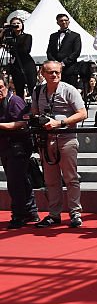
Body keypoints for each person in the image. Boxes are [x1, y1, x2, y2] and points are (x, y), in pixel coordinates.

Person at [31, 61, 87, 228]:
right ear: (43, 73)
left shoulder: (69, 90)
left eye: (57, 72)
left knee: (71, 178)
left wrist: (60, 123)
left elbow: (82, 113)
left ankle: (75, 213)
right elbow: (34, 113)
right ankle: (54, 214)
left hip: (66, 138)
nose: (54, 75)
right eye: (50, 72)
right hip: (46, 140)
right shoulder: (38, 91)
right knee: (50, 180)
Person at [0, 78, 39, 228]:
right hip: (6, 147)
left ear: (6, 87)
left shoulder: (15, 101)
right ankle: (30, 211)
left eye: (1, 87)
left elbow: (23, 122)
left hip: (18, 146)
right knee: (20, 180)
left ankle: (19, 214)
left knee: (15, 182)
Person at [46, 14, 83, 91]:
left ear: (69, 22)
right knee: (56, 90)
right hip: (55, 70)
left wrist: (64, 63)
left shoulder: (75, 36)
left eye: (65, 20)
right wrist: (55, 63)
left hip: (70, 69)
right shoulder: (53, 36)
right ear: (57, 22)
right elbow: (49, 52)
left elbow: (76, 52)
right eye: (61, 20)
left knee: (70, 91)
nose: (63, 22)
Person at [4, 15, 36, 97]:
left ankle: (34, 106)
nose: (16, 25)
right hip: (16, 65)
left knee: (31, 87)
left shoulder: (27, 36)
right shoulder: (9, 38)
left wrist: (13, 44)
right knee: (18, 89)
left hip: (27, 64)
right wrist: (3, 32)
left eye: (18, 23)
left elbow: (25, 50)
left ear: (22, 25)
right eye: (14, 23)